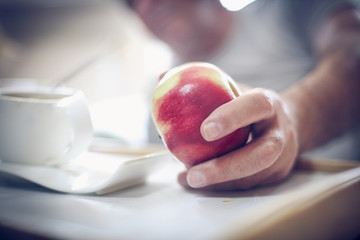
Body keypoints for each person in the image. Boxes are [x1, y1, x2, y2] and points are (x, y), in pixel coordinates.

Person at [126, 0, 360, 190]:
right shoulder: (157, 103)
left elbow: (353, 53)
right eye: (131, 2)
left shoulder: (287, 8)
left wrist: (291, 118)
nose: (146, 5)